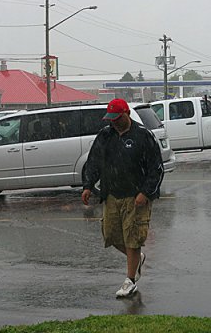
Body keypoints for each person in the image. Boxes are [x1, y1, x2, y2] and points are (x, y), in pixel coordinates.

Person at [81, 98, 164, 298]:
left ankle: (130, 281)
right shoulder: (105, 135)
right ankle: (137, 259)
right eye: (111, 119)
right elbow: (93, 162)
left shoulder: (143, 136)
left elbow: (156, 168)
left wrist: (145, 192)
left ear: (126, 113)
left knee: (132, 238)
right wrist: (88, 185)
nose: (114, 122)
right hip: (111, 194)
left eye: (118, 118)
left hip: (136, 197)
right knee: (111, 235)